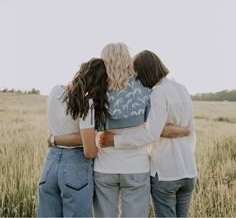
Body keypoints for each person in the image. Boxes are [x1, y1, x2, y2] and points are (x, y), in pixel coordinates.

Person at [52, 43, 189, 217]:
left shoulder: (97, 89)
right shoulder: (146, 88)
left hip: (104, 167)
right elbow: (154, 127)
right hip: (136, 167)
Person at [100, 50, 198, 218]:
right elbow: (188, 130)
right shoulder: (182, 89)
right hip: (189, 169)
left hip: (165, 171)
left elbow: (151, 134)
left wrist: (116, 141)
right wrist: (180, 131)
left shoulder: (157, 93)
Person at [37, 58, 108, 217]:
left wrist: (55, 140)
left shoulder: (55, 91)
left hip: (50, 163)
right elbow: (89, 152)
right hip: (75, 167)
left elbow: (59, 133)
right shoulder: (86, 102)